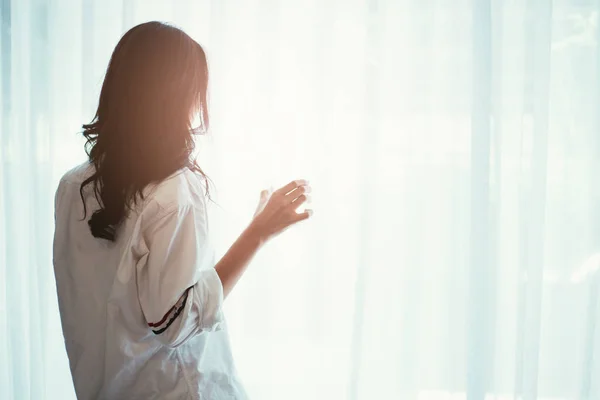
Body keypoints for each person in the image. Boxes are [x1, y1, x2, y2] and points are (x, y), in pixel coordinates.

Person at [52, 21, 311, 400]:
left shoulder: (72, 186)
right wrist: (258, 233)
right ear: (177, 99)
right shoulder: (173, 191)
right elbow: (174, 323)